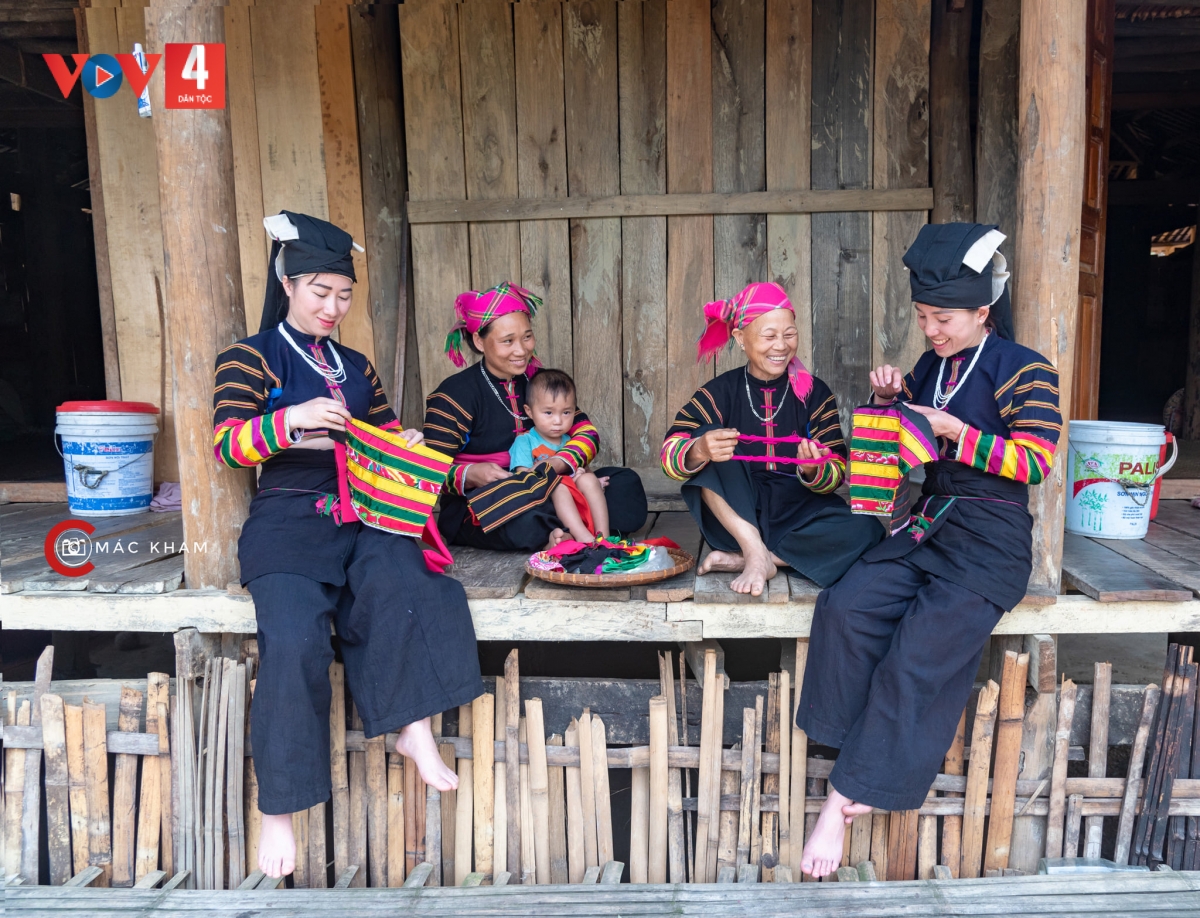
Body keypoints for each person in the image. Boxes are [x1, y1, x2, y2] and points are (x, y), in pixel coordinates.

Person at [212, 211, 483, 879]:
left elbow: (385, 435)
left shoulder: (356, 365)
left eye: (343, 295)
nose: (333, 308)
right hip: (288, 515)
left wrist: (404, 442)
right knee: (293, 639)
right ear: (287, 284)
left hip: (363, 509)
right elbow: (227, 444)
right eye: (320, 293)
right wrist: (292, 419)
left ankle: (412, 726)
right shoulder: (251, 357)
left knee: (409, 582)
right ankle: (279, 809)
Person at [796, 223, 1062, 878]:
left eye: (943, 319)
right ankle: (860, 758)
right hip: (930, 524)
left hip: (990, 540)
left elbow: (1036, 462)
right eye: (922, 317)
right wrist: (890, 400)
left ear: (982, 311)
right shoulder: (930, 368)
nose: (930, 330)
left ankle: (839, 799)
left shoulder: (1025, 369)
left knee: (915, 657)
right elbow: (901, 439)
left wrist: (954, 430)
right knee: (847, 607)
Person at [661, 281, 884, 596]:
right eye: (769, 336)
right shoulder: (718, 392)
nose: (781, 346)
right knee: (705, 438)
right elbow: (670, 455)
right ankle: (752, 547)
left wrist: (813, 469)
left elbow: (836, 467)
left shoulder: (815, 393)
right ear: (740, 338)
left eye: (789, 334)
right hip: (736, 516)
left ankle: (757, 558)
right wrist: (699, 449)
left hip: (798, 514)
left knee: (868, 530)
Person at [423, 282, 647, 550]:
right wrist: (470, 474)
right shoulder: (453, 395)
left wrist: (558, 463)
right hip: (488, 500)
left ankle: (563, 532)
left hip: (553, 482)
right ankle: (568, 529)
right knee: (525, 521)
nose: (521, 350)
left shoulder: (539, 382)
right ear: (479, 341)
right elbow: (427, 470)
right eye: (508, 341)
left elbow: (586, 432)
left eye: (527, 337)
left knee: (624, 485)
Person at [509, 368, 610, 543]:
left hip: (575, 497)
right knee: (559, 486)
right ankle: (584, 538)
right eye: (548, 413)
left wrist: (593, 481)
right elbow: (524, 478)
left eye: (566, 412)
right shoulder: (525, 441)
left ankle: (604, 537)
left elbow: (584, 468)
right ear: (529, 411)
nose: (558, 421)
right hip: (545, 499)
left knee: (589, 479)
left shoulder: (570, 441)